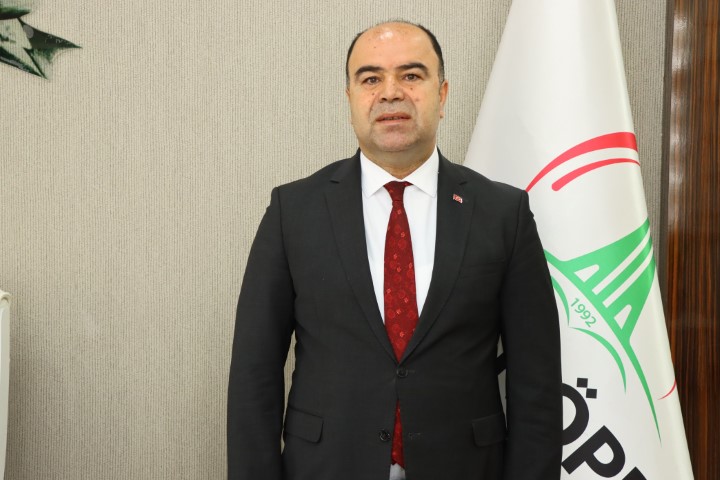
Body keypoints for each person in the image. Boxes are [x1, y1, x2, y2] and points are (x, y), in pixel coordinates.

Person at [227, 20, 562, 480]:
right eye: (370, 79)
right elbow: (254, 374)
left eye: (411, 75)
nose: (390, 93)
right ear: (350, 99)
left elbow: (536, 385)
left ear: (442, 94)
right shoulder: (293, 212)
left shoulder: (504, 213)